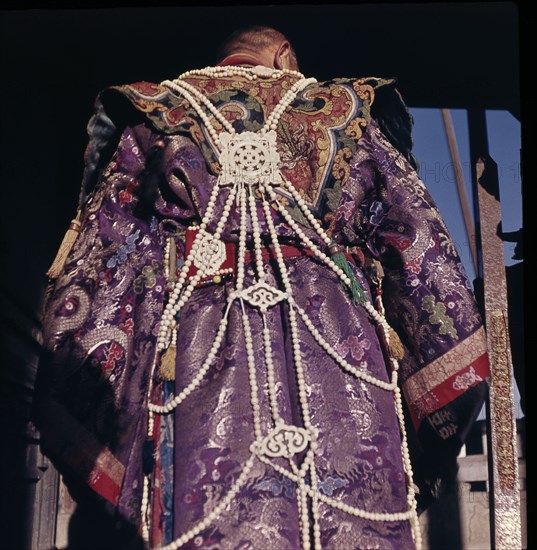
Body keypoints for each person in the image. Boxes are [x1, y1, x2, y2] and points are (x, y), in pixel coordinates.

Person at [33, 25, 491, 550]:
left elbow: (100, 278)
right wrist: (434, 424)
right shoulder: (347, 110)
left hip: (198, 355)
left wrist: (104, 435)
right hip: (344, 354)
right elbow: (425, 261)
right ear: (284, 56)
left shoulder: (152, 114)